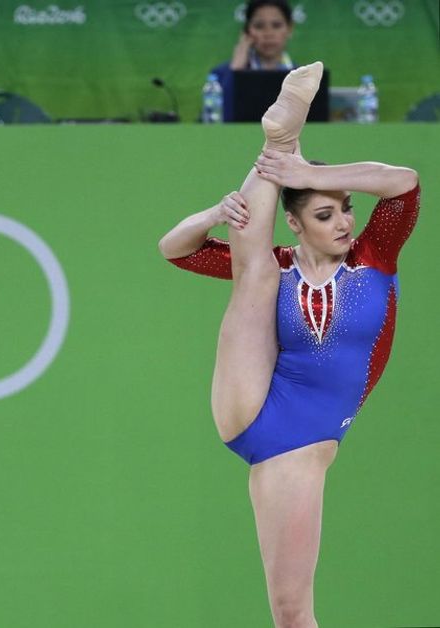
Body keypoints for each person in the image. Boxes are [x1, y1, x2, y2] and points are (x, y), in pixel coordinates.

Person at [159, 61, 420, 626]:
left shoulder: (374, 256)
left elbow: (404, 182)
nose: (343, 222)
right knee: (254, 269)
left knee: (291, 613)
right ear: (296, 225)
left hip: (298, 444)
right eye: (324, 214)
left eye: (346, 207)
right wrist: (214, 213)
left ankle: (282, 146)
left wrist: (304, 171)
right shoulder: (277, 266)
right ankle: (277, 141)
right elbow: (174, 248)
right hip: (259, 404)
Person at [209, 0, 296, 122]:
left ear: (289, 29)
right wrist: (235, 71)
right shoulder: (221, 75)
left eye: (276, 25)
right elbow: (217, 121)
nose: (268, 34)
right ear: (247, 32)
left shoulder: (303, 77)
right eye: (259, 26)